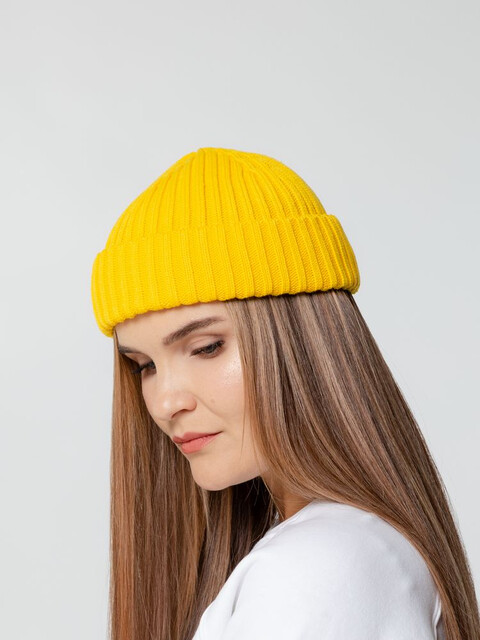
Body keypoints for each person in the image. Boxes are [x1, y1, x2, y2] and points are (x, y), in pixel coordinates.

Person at [90, 147, 478, 640]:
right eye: (144, 366)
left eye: (207, 347)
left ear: (303, 342)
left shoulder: (318, 567)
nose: (166, 404)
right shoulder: (349, 551)